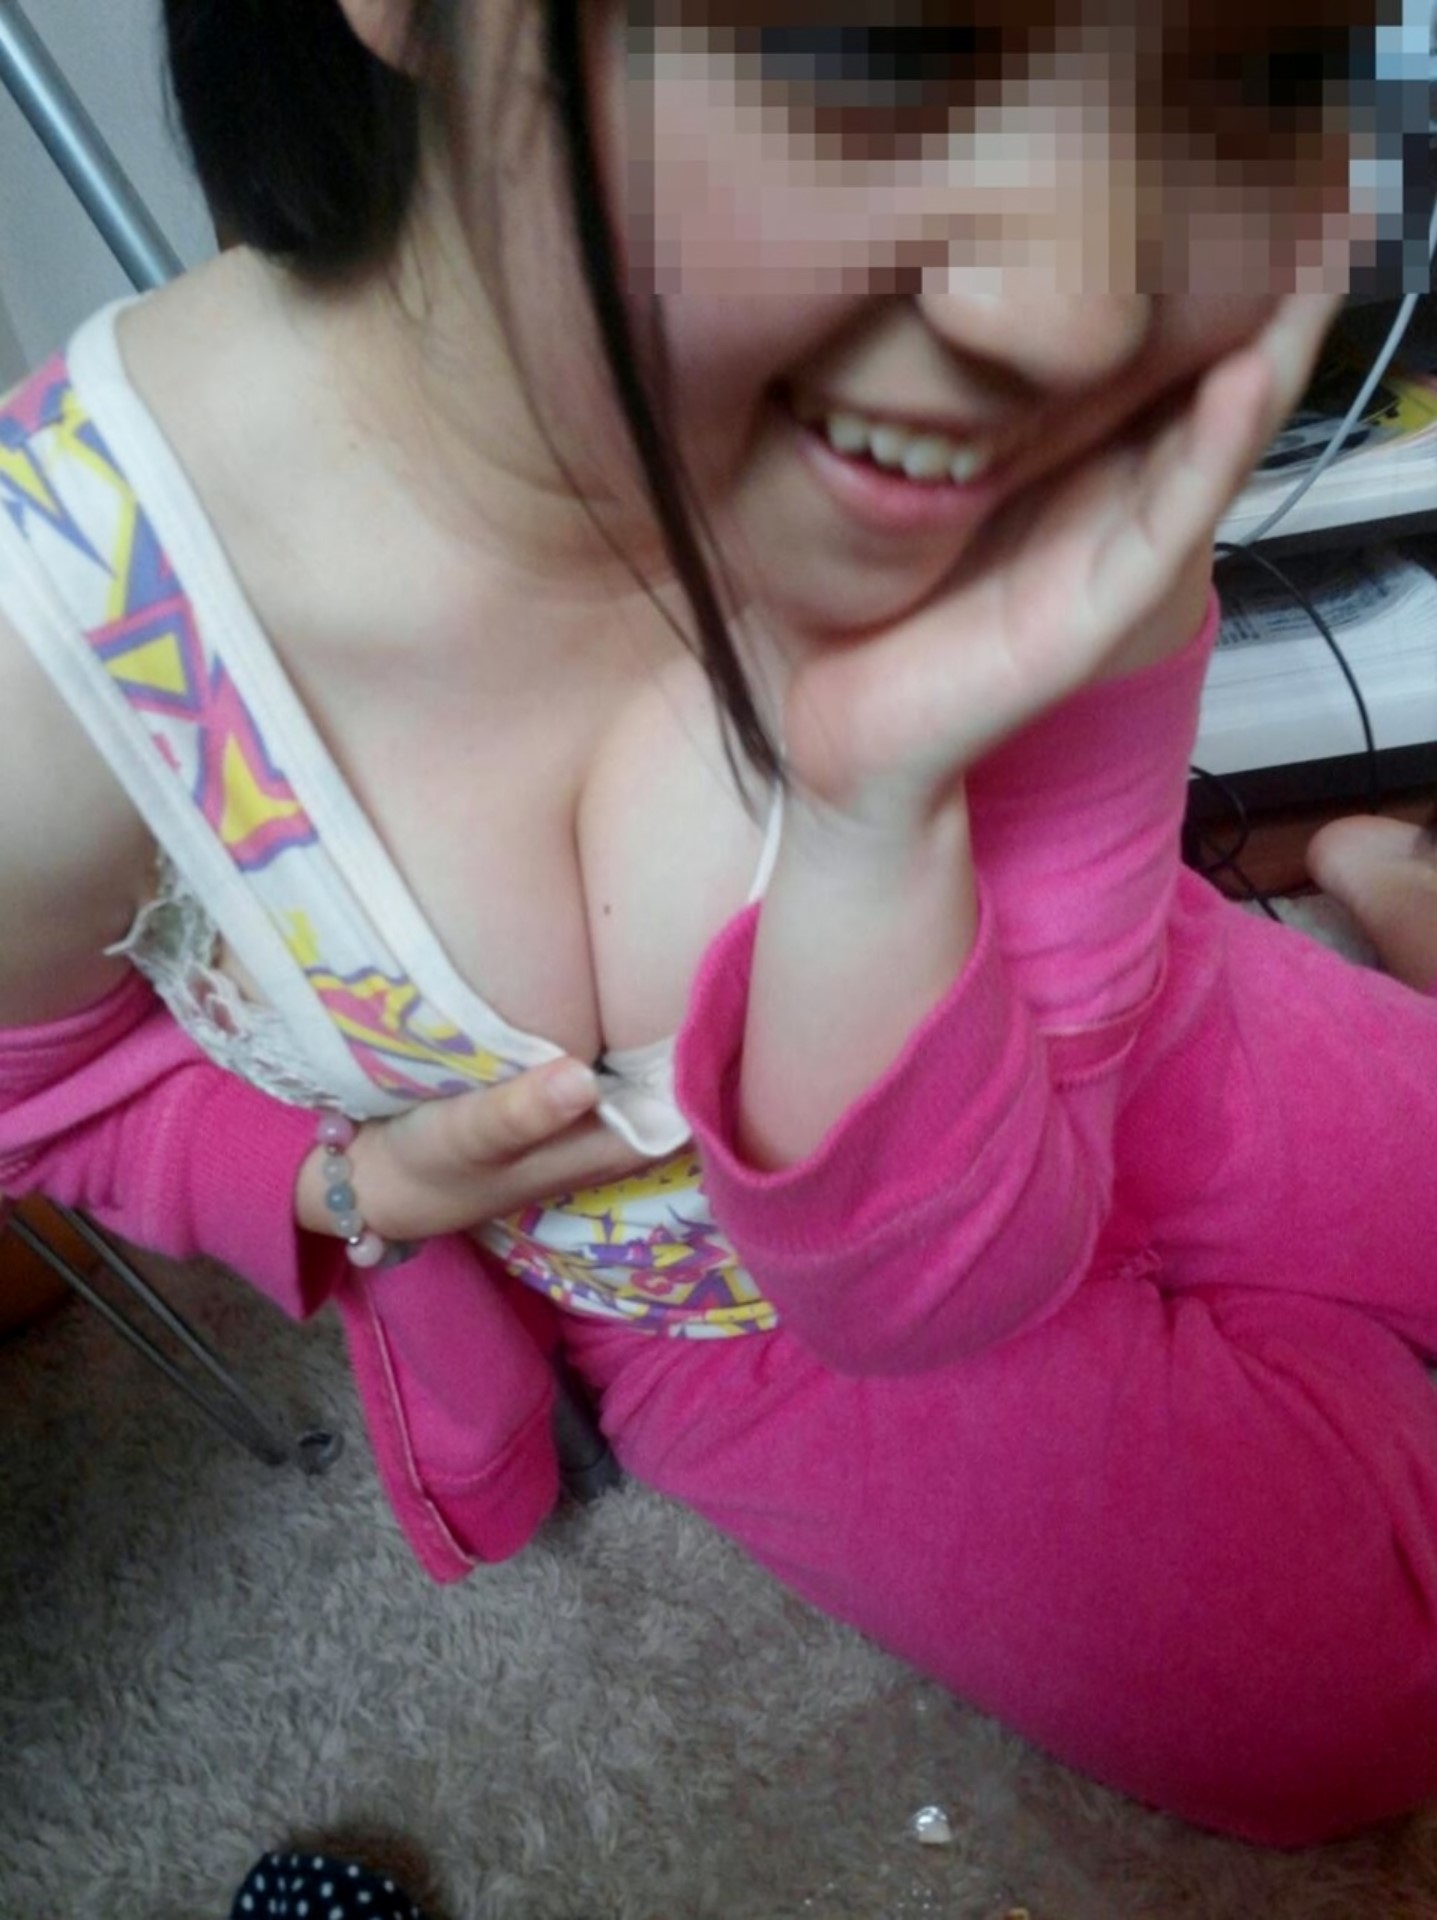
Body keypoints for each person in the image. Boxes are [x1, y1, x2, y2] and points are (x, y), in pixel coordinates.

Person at [1, 0, 1435, 1853]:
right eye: (877, 41)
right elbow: (43, 1101)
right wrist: (339, 1185)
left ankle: (1380, 887)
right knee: (1350, 1701)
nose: (1081, 313)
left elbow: (1053, 1117)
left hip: (1133, 1033)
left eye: (1247, 69)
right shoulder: (57, 669)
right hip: (724, 1313)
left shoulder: (1051, 424)